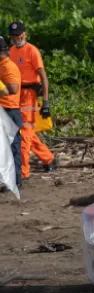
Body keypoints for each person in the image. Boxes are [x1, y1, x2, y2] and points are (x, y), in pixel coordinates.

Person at [8, 21, 55, 179]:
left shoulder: (32, 51)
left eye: (18, 35)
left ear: (25, 34)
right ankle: (49, 158)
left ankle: (23, 173)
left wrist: (46, 102)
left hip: (30, 97)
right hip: (16, 95)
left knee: (24, 135)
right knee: (25, 134)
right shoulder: (11, 51)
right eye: (13, 36)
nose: (16, 38)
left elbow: (43, 76)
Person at [0, 36, 22, 188]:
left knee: (12, 147)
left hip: (9, 110)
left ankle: (14, 181)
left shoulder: (9, 67)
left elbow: (12, 90)